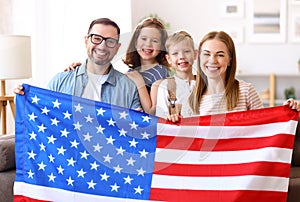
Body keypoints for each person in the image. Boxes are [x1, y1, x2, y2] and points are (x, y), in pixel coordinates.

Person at [168, 31, 300, 122]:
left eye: (220, 55)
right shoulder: (190, 96)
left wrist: (286, 112)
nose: (212, 60)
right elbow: (187, 137)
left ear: (230, 60)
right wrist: (173, 120)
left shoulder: (246, 91)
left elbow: (265, 125)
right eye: (207, 54)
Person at [14, 18, 141, 110]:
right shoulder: (60, 81)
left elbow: (136, 131)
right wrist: (22, 98)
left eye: (110, 41)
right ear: (86, 41)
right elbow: (42, 114)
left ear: (117, 47)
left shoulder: (128, 87)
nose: (102, 46)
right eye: (96, 38)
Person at [66, 17, 170, 113]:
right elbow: (110, 75)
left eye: (155, 41)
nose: (148, 44)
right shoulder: (132, 70)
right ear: (136, 41)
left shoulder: (160, 71)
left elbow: (153, 113)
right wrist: (83, 68)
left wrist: (140, 84)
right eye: (143, 39)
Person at [151, 30, 197, 118]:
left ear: (195, 54)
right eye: (175, 53)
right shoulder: (164, 87)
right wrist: (169, 119)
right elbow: (160, 120)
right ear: (168, 59)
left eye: (187, 51)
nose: (181, 57)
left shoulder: (205, 84)